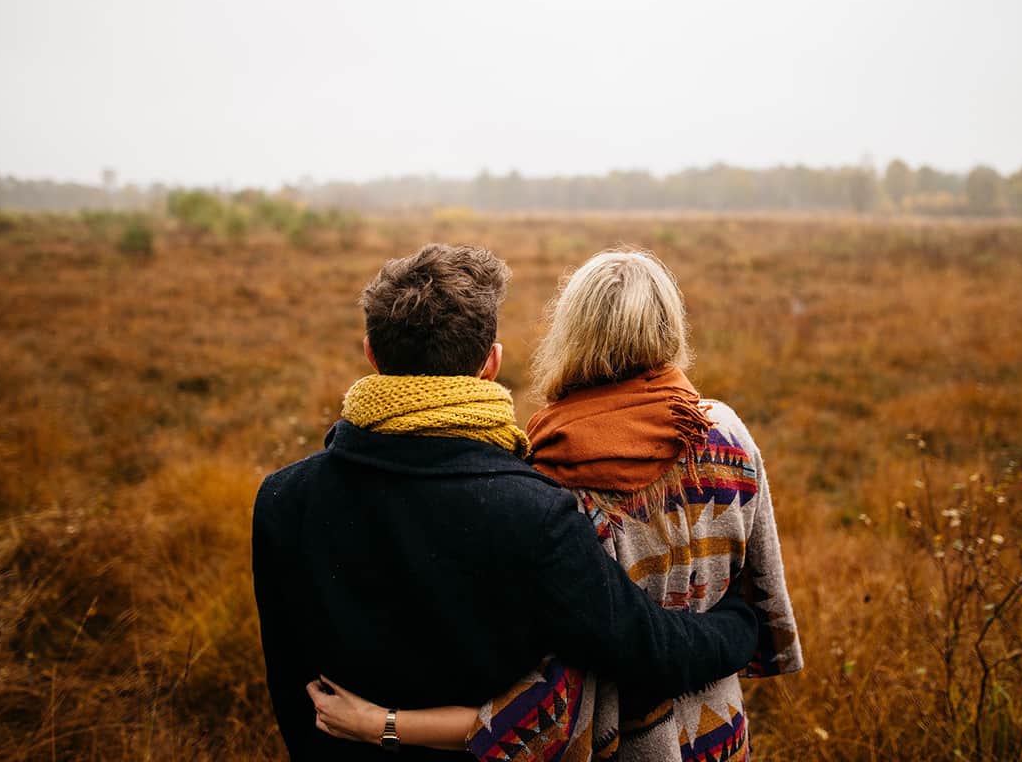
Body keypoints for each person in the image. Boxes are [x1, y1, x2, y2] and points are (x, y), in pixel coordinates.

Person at [252, 244, 767, 761]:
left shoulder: (280, 499)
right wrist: (741, 625)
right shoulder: (534, 511)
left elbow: (291, 687)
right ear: (491, 363)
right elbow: (645, 649)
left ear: (370, 352)